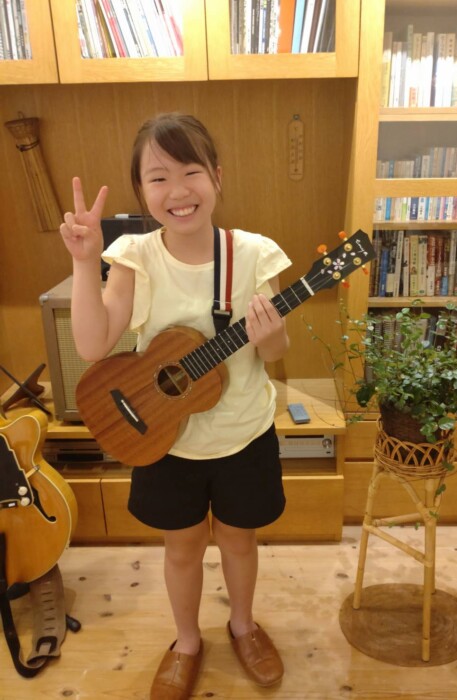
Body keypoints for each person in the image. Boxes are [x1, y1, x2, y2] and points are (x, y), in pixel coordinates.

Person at [60, 112, 292, 700]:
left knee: (240, 541)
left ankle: (243, 626)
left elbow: (274, 354)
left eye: (192, 171)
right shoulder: (134, 256)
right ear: (142, 191)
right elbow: (93, 344)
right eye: (158, 177)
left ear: (216, 177)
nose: (178, 190)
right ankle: (186, 642)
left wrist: (271, 338)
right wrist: (85, 261)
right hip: (162, 438)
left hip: (243, 434)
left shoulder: (253, 253)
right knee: (182, 548)